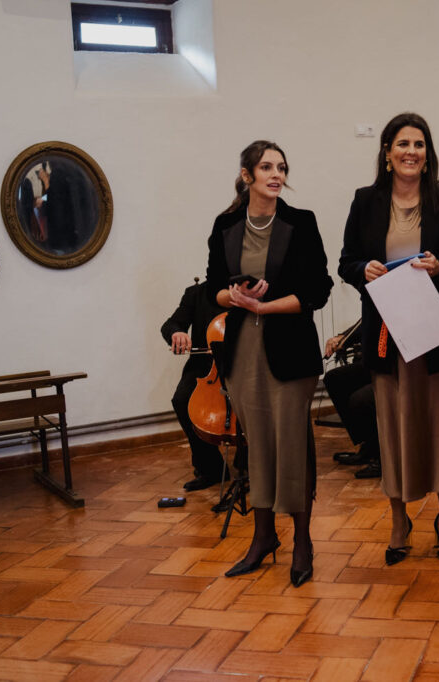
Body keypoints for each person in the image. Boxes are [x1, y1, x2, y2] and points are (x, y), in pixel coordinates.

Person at [338, 112, 439, 567]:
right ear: (387, 152)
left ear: (427, 153)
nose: (411, 152)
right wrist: (364, 269)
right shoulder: (366, 200)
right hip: (389, 336)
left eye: (419, 144)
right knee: (396, 433)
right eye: (402, 144)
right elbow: (346, 262)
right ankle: (399, 522)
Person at [205, 140, 333, 587]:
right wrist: (234, 297)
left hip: (291, 350)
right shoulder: (225, 225)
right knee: (255, 444)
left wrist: (266, 306)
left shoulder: (301, 222)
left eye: (281, 168)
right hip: (243, 351)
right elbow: (212, 289)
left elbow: (319, 288)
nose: (276, 175)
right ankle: (263, 537)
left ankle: (302, 542)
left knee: (292, 444)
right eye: (266, 167)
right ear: (247, 176)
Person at [160, 277, 230, 493]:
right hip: (204, 366)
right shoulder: (196, 293)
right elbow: (171, 324)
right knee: (182, 400)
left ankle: (248, 461)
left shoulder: (247, 292)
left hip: (242, 364)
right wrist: (177, 332)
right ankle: (210, 467)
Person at [322, 320, 381, 479]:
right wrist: (343, 337)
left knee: (360, 400)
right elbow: (366, 320)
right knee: (334, 380)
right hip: (377, 362)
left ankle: (383, 457)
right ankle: (369, 446)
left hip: (394, 366)